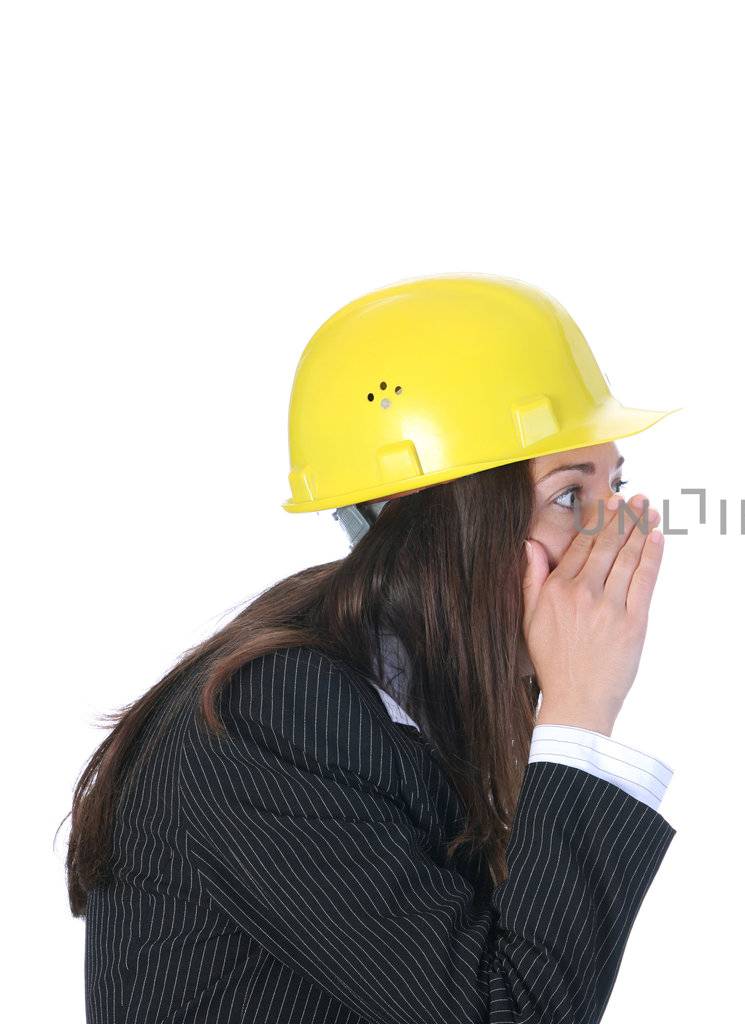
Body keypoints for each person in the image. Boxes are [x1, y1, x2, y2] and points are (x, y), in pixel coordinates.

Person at [67, 274, 679, 1023]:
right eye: (568, 495)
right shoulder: (269, 720)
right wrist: (583, 710)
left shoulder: (426, 697)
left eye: (617, 486)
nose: (616, 534)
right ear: (433, 520)